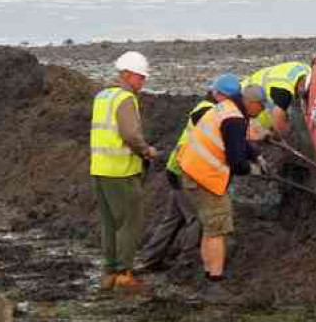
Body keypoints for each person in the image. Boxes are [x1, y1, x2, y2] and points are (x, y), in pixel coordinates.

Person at [140, 76, 237, 271]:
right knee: (197, 219)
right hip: (186, 170)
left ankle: (149, 259)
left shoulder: (205, 108)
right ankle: (186, 262)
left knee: (173, 217)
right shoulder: (207, 111)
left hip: (176, 168)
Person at [177, 82, 271, 281]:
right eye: (261, 107)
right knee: (218, 228)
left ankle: (208, 271)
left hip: (192, 171)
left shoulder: (228, 108)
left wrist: (256, 155)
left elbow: (237, 141)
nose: (261, 111)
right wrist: (251, 169)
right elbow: (236, 161)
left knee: (210, 228)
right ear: (251, 102)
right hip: (206, 177)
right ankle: (215, 279)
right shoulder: (235, 119)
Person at [90, 51, 158, 294]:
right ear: (127, 75)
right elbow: (130, 134)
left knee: (109, 224)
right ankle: (124, 274)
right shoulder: (125, 99)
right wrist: (146, 151)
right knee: (129, 223)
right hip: (122, 171)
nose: (143, 82)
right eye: (140, 77)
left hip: (100, 169)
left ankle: (109, 273)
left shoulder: (102, 96)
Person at [242, 61, 311, 140]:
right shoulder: (283, 90)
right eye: (305, 95)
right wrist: (285, 137)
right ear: (301, 87)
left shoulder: (309, 72)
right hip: (249, 100)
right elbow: (278, 120)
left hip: (257, 94)